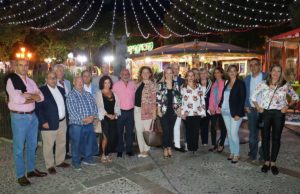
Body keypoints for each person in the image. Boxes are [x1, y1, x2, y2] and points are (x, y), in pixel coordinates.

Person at [5, 59, 47, 186]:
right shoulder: (12, 80)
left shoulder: (31, 81)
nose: (23, 68)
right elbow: (17, 100)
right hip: (19, 118)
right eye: (20, 65)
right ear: (16, 67)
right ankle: (20, 175)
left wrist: (27, 96)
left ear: (28, 66)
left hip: (32, 117)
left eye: (25, 65)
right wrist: (33, 97)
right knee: (19, 148)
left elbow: (41, 97)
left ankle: (31, 170)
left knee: (32, 145)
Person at [252, 64, 298, 175]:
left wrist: (287, 106)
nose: (276, 73)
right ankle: (266, 161)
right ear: (270, 72)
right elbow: (253, 97)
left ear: (281, 73)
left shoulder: (285, 85)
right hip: (266, 114)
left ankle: (273, 162)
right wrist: (258, 107)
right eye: (274, 71)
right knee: (265, 138)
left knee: (276, 138)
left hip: (279, 114)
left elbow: (296, 97)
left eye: (278, 71)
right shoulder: (263, 84)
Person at [36, 71, 70, 174]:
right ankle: (49, 165)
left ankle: (60, 161)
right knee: (48, 145)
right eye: (50, 78)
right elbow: (38, 108)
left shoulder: (60, 89)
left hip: (62, 121)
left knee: (61, 142)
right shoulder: (41, 91)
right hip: (48, 123)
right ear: (46, 79)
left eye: (54, 78)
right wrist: (43, 121)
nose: (53, 80)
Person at [66, 76, 98, 170]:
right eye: (78, 82)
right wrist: (85, 119)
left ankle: (87, 159)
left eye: (82, 82)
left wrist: (92, 117)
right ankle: (75, 162)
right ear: (74, 83)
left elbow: (94, 107)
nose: (80, 83)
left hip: (89, 123)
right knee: (76, 144)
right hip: (76, 125)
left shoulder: (88, 94)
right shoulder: (70, 95)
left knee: (89, 142)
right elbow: (72, 111)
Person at [219, 65, 246, 163]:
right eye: (230, 71)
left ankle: (237, 154)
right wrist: (220, 105)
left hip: (235, 113)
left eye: (234, 71)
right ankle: (232, 152)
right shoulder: (227, 82)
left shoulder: (240, 83)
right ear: (227, 72)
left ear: (237, 72)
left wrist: (238, 113)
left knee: (234, 133)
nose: (232, 72)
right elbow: (224, 96)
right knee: (229, 133)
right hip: (225, 111)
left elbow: (242, 99)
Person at [244, 58, 267, 161]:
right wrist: (245, 106)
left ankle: (263, 155)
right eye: (251, 65)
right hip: (252, 110)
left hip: (264, 110)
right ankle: (252, 154)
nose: (253, 67)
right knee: (253, 134)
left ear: (260, 65)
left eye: (255, 64)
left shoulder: (267, 77)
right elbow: (245, 94)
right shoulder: (247, 79)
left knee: (265, 134)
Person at [157, 67, 182, 158]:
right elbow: (158, 98)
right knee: (166, 130)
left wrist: (179, 109)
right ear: (164, 74)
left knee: (170, 130)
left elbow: (179, 98)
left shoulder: (176, 84)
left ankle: (169, 147)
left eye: (170, 73)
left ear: (173, 74)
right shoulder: (161, 84)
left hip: (173, 111)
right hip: (163, 111)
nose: (169, 74)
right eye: (167, 73)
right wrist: (158, 110)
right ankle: (165, 147)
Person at [96, 76, 121, 163]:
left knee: (112, 137)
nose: (107, 84)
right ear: (102, 83)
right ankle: (103, 154)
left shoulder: (113, 93)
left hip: (113, 118)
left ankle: (107, 153)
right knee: (105, 137)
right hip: (105, 118)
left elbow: (117, 105)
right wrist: (107, 115)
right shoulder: (99, 93)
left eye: (109, 82)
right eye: (105, 83)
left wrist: (116, 114)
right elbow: (99, 106)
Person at [181, 70, 206, 153]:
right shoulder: (182, 87)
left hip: (197, 112)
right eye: (189, 75)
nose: (191, 77)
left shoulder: (199, 86)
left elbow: (202, 99)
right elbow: (180, 101)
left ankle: (195, 147)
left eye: (192, 75)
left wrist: (203, 112)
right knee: (189, 130)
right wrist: (182, 113)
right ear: (186, 77)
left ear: (194, 77)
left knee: (196, 131)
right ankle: (190, 147)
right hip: (187, 113)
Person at [113, 69, 136, 157]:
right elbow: (113, 99)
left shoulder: (133, 84)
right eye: (124, 74)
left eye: (127, 74)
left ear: (129, 75)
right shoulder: (116, 85)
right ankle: (119, 150)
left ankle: (129, 149)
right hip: (120, 112)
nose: (125, 75)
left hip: (130, 111)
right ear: (120, 75)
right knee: (119, 132)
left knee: (130, 132)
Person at [134, 66, 157, 158]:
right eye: (143, 72)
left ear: (150, 74)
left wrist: (154, 113)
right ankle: (141, 149)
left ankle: (146, 150)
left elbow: (155, 100)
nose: (145, 74)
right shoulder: (137, 84)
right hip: (137, 110)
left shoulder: (153, 85)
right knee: (139, 131)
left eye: (147, 72)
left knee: (147, 131)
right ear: (141, 74)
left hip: (148, 111)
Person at [54, 64, 72, 159]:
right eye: (59, 70)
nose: (61, 72)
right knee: (57, 132)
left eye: (62, 70)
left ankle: (65, 152)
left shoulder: (67, 82)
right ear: (55, 72)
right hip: (57, 111)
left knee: (66, 132)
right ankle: (56, 152)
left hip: (67, 111)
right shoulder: (52, 82)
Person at [208, 67, 227, 153]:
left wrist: (223, 106)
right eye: (215, 73)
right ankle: (213, 144)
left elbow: (226, 97)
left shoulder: (225, 83)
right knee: (212, 127)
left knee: (223, 127)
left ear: (222, 73)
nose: (216, 74)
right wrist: (210, 107)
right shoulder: (213, 84)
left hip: (222, 109)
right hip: (214, 109)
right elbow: (211, 97)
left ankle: (221, 144)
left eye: (218, 72)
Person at [171, 63, 185, 152]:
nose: (175, 70)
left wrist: (181, 107)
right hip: (168, 106)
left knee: (177, 126)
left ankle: (177, 145)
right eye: (173, 68)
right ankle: (168, 144)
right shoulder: (166, 79)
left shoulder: (182, 81)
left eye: (177, 69)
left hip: (179, 106)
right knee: (168, 127)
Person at [199, 68, 212, 146]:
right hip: (198, 107)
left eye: (204, 73)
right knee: (198, 124)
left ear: (207, 74)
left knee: (206, 124)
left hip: (208, 106)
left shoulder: (211, 83)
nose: (203, 75)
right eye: (201, 73)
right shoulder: (196, 83)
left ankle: (205, 141)